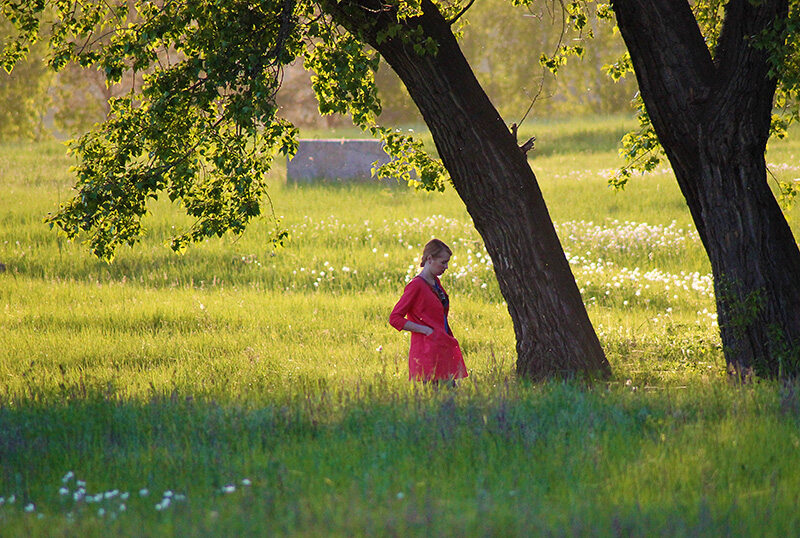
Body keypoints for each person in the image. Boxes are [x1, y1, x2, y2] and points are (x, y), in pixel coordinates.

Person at [389, 238, 468, 383]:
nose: (446, 267)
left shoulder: (435, 282)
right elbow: (395, 318)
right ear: (430, 259)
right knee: (436, 399)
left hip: (441, 347)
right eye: (443, 262)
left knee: (450, 398)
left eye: (447, 262)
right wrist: (426, 330)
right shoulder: (416, 285)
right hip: (427, 352)